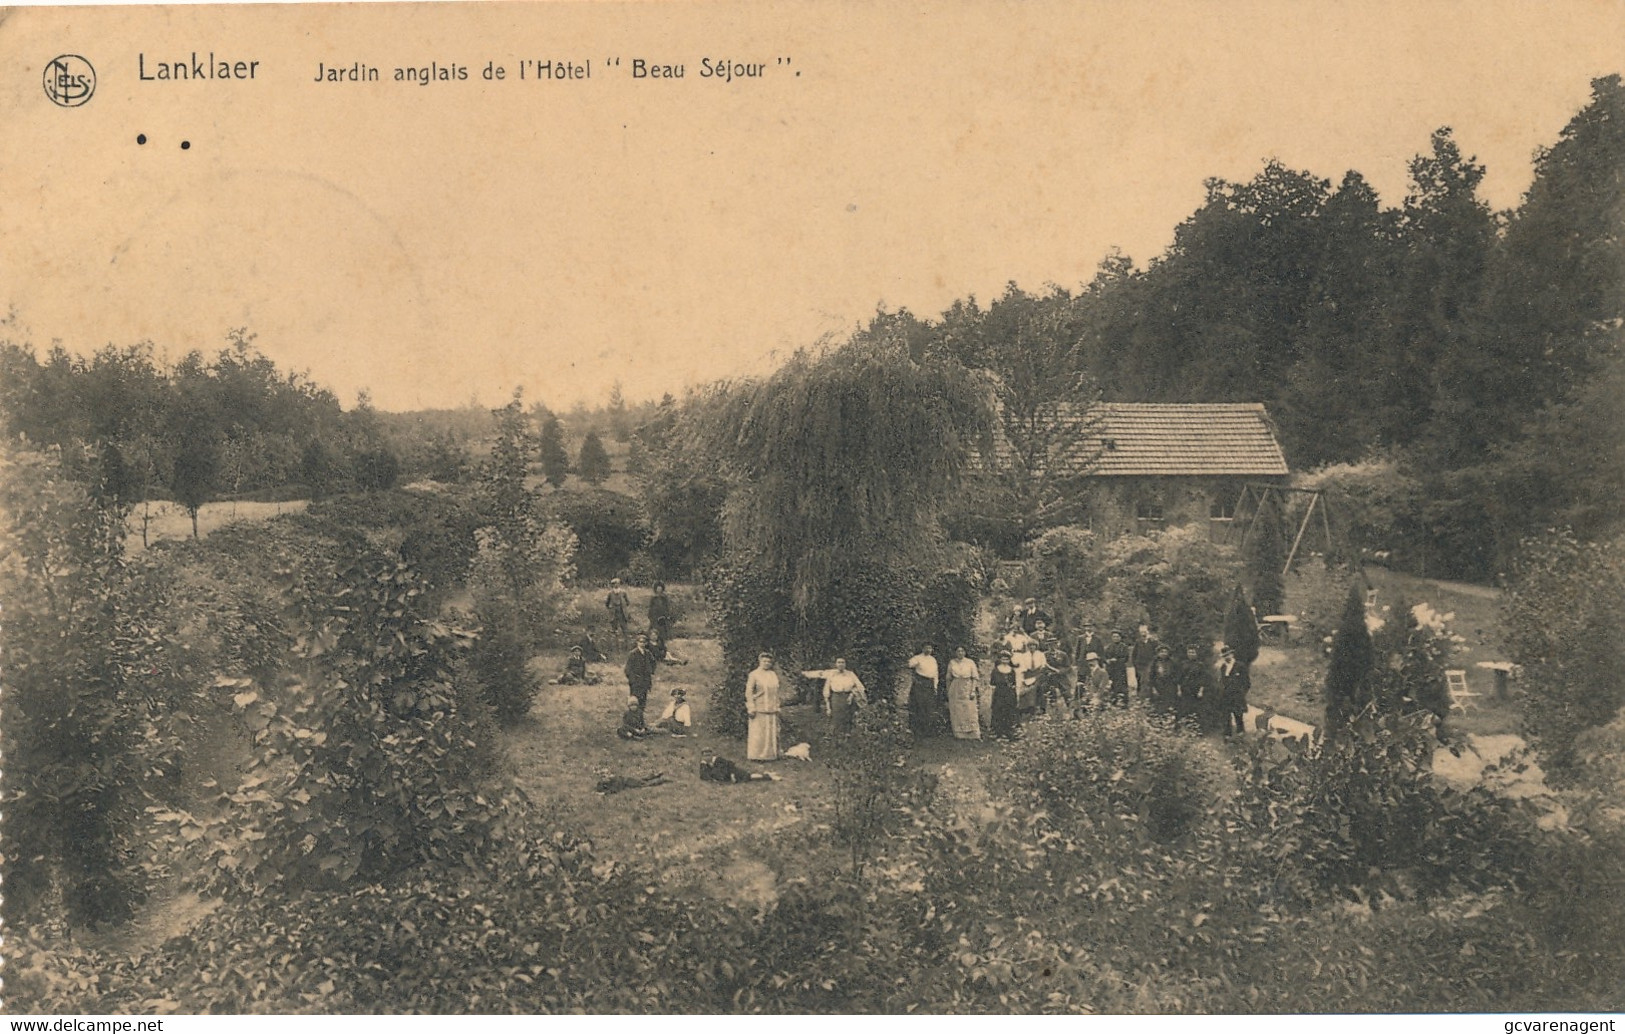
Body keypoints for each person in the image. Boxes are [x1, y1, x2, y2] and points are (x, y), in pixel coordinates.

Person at [803, 657, 868, 736]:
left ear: (845, 664)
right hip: (836, 698)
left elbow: (859, 686)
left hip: (848, 698)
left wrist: (852, 695)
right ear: (836, 664)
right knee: (836, 716)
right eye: (839, 662)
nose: (841, 664)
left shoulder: (850, 674)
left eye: (843, 662)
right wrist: (827, 705)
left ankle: (847, 735)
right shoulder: (831, 674)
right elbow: (824, 682)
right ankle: (836, 736)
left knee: (848, 717)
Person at [745, 652, 782, 761]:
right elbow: (749, 691)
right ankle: (756, 756)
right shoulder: (754, 674)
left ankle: (771, 755)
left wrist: (777, 705)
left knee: (771, 732)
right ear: (760, 662)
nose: (766, 663)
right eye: (764, 661)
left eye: (769, 662)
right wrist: (751, 707)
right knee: (758, 733)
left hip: (771, 707)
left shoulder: (773, 674)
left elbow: (776, 691)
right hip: (759, 707)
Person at [946, 646, 982, 740]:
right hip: (956, 687)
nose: (960, 653)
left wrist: (973, 690)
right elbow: (948, 678)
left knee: (970, 710)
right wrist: (949, 690)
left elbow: (975, 677)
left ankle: (973, 734)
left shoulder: (970, 662)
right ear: (955, 652)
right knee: (957, 710)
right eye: (958, 651)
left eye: (962, 651)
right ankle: (959, 734)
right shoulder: (952, 662)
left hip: (967, 686)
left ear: (965, 652)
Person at [1215, 643, 1251, 737]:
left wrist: (1241, 693)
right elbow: (1222, 681)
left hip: (1237, 696)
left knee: (1238, 715)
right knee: (1226, 716)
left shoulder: (1240, 666)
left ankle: (1241, 735)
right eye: (1224, 656)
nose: (1227, 657)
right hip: (1226, 696)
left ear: (1232, 654)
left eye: (1228, 654)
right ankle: (1228, 736)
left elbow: (1246, 683)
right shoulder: (1223, 667)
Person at [906, 643, 940, 738]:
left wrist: (935, 686)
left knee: (928, 707)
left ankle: (928, 731)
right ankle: (917, 731)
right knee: (919, 705)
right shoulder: (917, 658)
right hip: (920, 684)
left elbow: (935, 674)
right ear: (922, 648)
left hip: (930, 684)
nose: (928, 649)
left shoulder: (933, 660)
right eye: (926, 647)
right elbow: (909, 664)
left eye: (930, 648)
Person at [1175, 643, 1210, 726]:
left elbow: (1203, 679)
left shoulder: (1200, 665)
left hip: (1196, 690)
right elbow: (1179, 678)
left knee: (1196, 709)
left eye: (1193, 652)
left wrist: (1201, 691)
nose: (1191, 654)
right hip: (1185, 689)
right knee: (1184, 708)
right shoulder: (1183, 664)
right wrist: (1179, 690)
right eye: (1189, 652)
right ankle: (1185, 727)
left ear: (1196, 654)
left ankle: (1196, 727)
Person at [989, 648, 1018, 739]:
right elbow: (992, 684)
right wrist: (992, 696)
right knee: (998, 711)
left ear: (1009, 659)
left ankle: (1008, 731)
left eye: (1007, 659)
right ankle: (998, 732)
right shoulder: (996, 670)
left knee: (1008, 711)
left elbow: (1014, 684)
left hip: (1009, 693)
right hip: (999, 693)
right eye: (1003, 658)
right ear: (1000, 659)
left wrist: (1014, 694)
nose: (1005, 660)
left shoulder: (1011, 671)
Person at [624, 632, 657, 709]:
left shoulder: (648, 653)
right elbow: (628, 669)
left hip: (645, 680)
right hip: (636, 680)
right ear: (637, 642)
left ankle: (641, 715)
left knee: (643, 699)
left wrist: (651, 671)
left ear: (646, 643)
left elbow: (653, 662)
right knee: (634, 700)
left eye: (644, 642)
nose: (642, 644)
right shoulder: (633, 654)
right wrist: (632, 679)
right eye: (640, 642)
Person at [701, 754, 782, 784]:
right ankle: (767, 775)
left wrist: (732, 774)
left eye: (708, 755)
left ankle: (770, 777)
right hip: (728, 778)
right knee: (750, 776)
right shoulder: (705, 764)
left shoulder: (718, 760)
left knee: (750, 776)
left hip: (733, 773)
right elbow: (704, 776)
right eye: (705, 756)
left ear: (711, 755)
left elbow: (730, 765)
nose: (707, 757)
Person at [1146, 643, 1179, 714]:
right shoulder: (1154, 662)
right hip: (1158, 685)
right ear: (1158, 653)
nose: (1163, 654)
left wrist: (1173, 682)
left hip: (1169, 685)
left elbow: (1176, 674)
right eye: (1161, 652)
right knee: (1158, 703)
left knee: (1169, 702)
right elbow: (1151, 675)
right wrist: (1153, 688)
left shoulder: (1172, 662)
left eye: (1165, 652)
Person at [1130, 624, 1161, 698]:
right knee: (1140, 682)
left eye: (1145, 632)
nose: (1143, 634)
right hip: (1139, 666)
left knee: (1148, 682)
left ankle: (1149, 698)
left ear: (1148, 632)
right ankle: (1140, 698)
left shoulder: (1154, 642)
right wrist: (1135, 664)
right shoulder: (1138, 642)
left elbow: (1157, 654)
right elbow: (1134, 654)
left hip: (1149, 665)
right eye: (1141, 632)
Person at [1103, 630, 1132, 706]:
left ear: (1120, 638)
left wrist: (1117, 660)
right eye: (1114, 637)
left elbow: (1126, 658)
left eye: (1117, 637)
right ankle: (1113, 701)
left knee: (1121, 685)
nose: (1115, 638)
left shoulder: (1124, 647)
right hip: (1111, 669)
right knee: (1111, 685)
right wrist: (1107, 660)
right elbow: (1104, 657)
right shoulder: (1108, 647)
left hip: (1120, 669)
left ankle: (1123, 703)